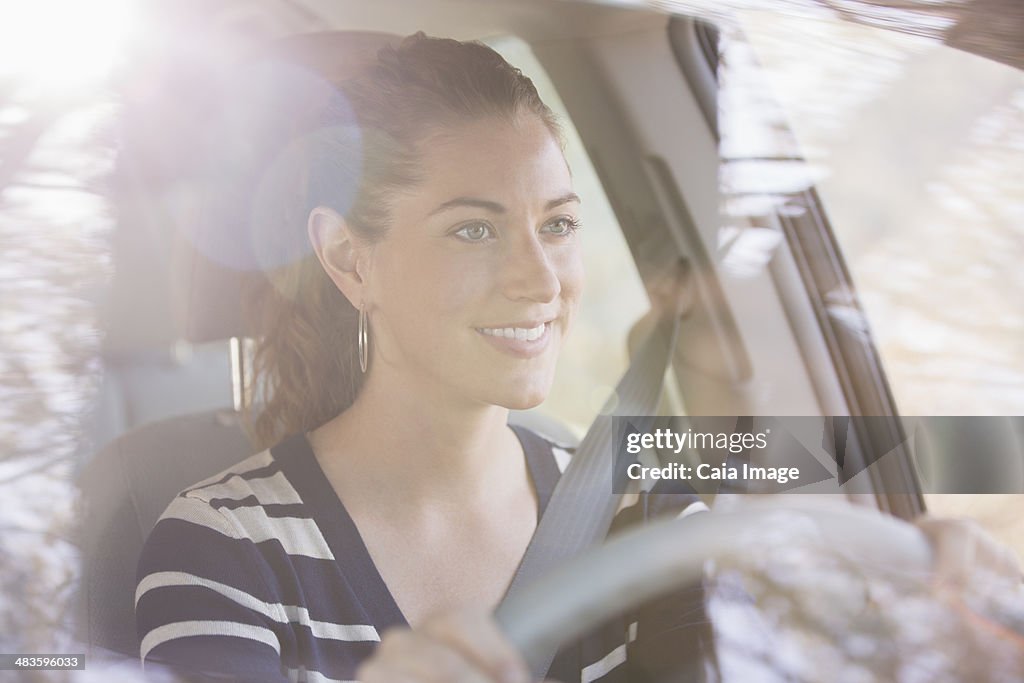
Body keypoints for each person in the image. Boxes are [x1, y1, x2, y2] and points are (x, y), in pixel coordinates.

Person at [135, 31, 1020, 683]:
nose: (541, 279)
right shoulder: (223, 550)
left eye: (557, 224)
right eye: (474, 228)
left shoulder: (639, 503)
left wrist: (906, 623)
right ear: (348, 258)